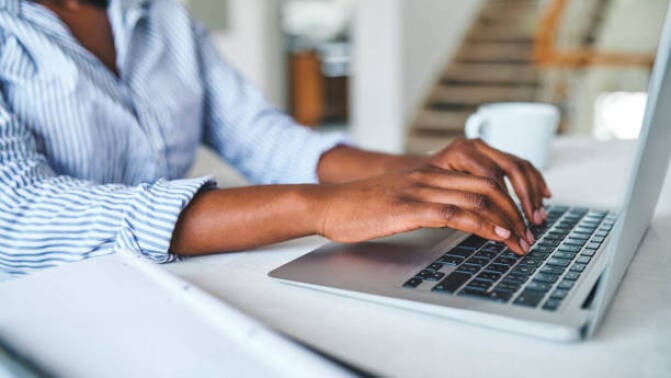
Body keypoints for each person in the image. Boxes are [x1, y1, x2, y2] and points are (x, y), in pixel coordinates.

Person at [0, 0, 551, 278]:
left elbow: (265, 139)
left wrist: (425, 171)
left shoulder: (161, 15)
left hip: (172, 289)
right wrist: (315, 206)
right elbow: (19, 216)